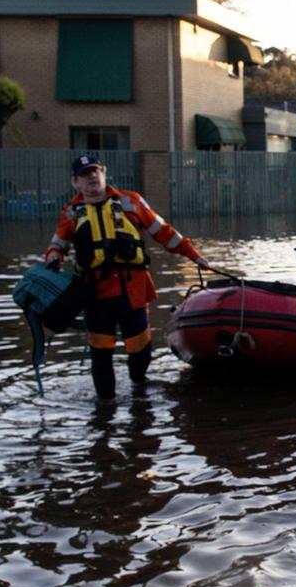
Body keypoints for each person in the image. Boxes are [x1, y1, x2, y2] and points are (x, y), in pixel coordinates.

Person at [43, 155, 209, 402]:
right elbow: (57, 245)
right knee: (101, 353)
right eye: (85, 174)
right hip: (95, 293)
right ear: (75, 182)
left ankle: (138, 389)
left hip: (132, 289)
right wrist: (53, 257)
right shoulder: (71, 212)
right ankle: (105, 407)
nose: (91, 177)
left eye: (95, 171)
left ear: (104, 173)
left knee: (141, 349)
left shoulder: (130, 201)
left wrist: (194, 256)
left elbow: (164, 232)